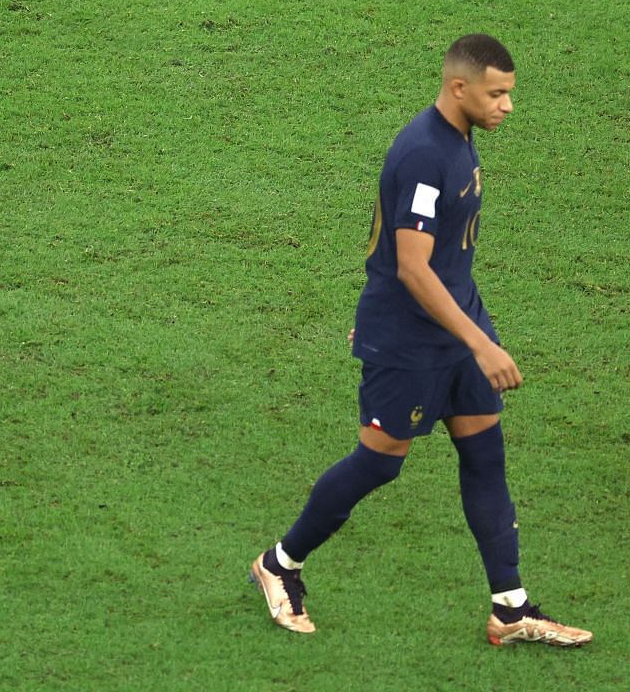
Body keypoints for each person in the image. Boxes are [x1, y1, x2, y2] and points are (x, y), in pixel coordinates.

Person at [249, 34, 592, 647]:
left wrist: (473, 334)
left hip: (454, 327)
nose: (507, 106)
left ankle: (510, 610)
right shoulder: (422, 156)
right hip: (409, 340)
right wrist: (481, 345)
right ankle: (280, 563)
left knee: (485, 454)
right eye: (497, 94)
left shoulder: (460, 138)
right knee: (379, 463)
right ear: (459, 88)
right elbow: (411, 267)